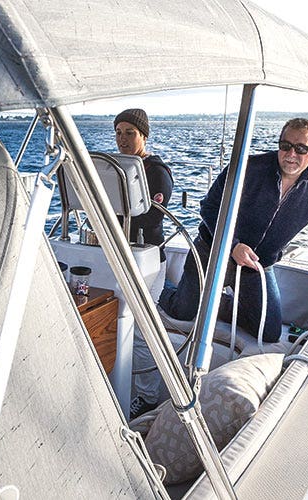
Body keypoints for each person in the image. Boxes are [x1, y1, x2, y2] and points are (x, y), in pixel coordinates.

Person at [159, 117, 308, 350]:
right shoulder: (247, 168)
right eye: (285, 145)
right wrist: (233, 245)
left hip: (257, 265)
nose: (291, 153)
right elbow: (210, 207)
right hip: (214, 251)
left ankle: (216, 301)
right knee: (182, 313)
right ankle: (166, 287)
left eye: (301, 148)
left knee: (269, 331)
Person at [113, 109, 174, 419]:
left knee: (140, 332)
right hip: (119, 257)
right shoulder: (115, 167)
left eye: (130, 133)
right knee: (116, 324)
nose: (123, 139)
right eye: (119, 132)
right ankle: (118, 387)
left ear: (144, 136)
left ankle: (148, 397)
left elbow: (152, 216)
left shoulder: (157, 172)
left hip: (149, 261)